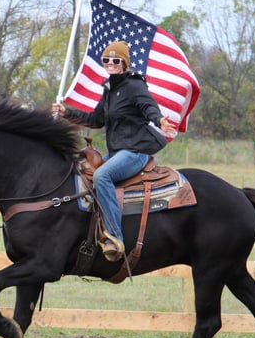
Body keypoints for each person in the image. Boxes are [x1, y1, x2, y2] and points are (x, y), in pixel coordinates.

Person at [53, 40, 177, 262]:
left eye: (116, 60)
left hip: (135, 151)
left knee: (102, 175)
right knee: (83, 172)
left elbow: (149, 107)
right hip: (119, 151)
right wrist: (66, 112)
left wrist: (159, 120)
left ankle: (115, 237)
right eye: (106, 60)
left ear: (124, 63)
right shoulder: (109, 88)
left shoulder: (134, 86)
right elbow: (96, 119)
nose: (110, 63)